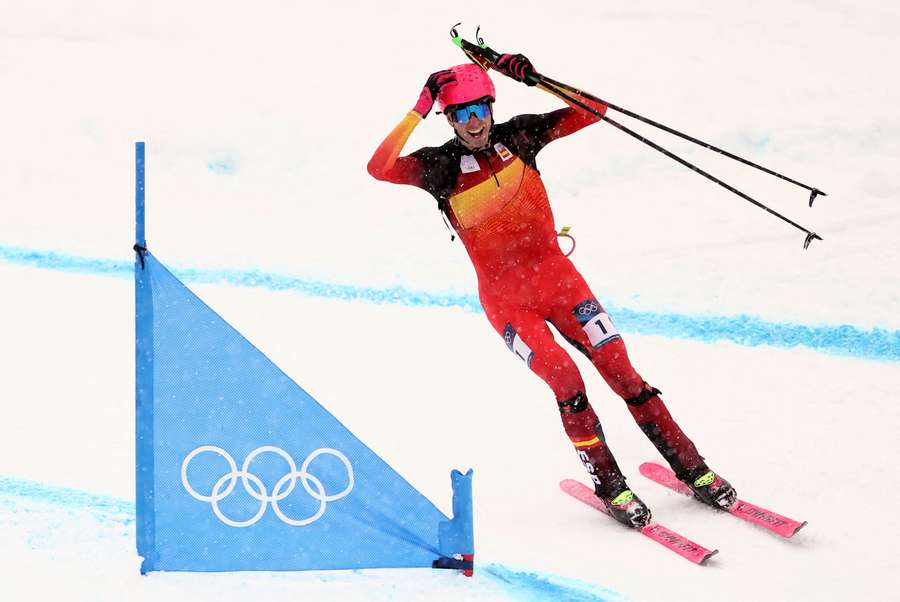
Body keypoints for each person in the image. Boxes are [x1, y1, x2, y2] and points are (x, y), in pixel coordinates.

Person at [367, 54, 736, 528]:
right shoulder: (438, 166)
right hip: (508, 303)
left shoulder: (520, 136)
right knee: (566, 380)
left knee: (624, 373)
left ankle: (694, 469)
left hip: (560, 283)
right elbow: (379, 167)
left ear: (492, 107)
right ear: (449, 118)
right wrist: (419, 107)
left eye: (481, 109)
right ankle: (612, 486)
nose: (474, 122)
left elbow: (595, 109)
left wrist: (530, 78)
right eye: (461, 113)